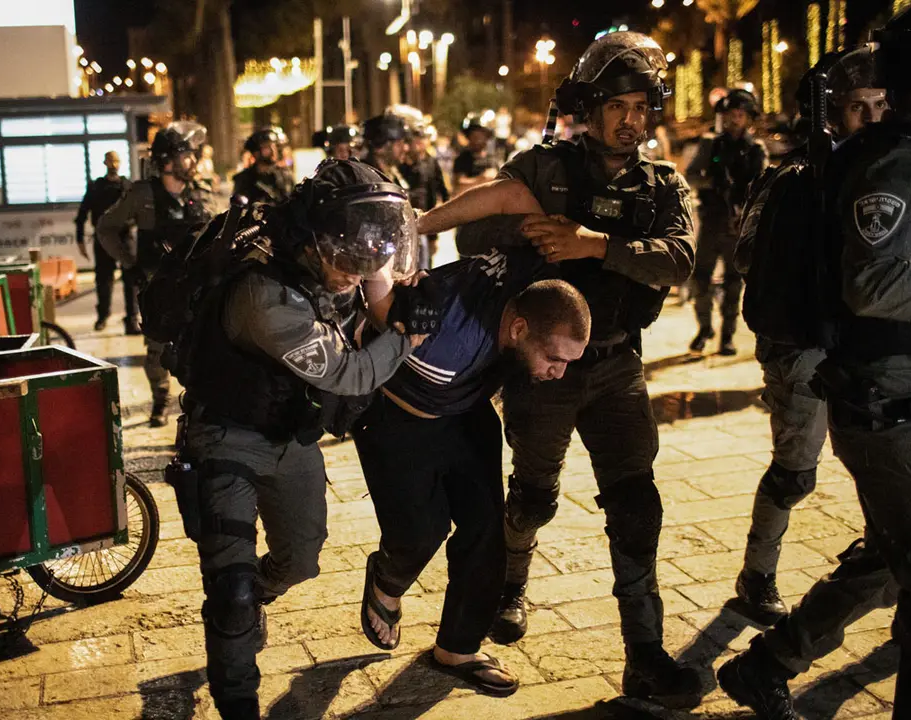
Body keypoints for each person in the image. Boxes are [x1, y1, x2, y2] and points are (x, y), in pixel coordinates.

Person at [718, 3, 911, 719]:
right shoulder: (900, 159)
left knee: (890, 560)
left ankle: (770, 665)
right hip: (894, 410)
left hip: (906, 403)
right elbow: (874, 282)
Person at [417, 31, 702, 709]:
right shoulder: (545, 169)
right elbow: (480, 220)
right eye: (618, 104)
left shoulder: (663, 183)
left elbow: (680, 259)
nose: (631, 118)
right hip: (543, 375)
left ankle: (646, 655)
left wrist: (593, 244)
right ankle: (512, 584)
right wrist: (516, 231)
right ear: (591, 104)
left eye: (641, 105)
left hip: (618, 368)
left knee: (637, 505)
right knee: (534, 493)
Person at [152, 159, 426, 720]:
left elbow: (378, 282)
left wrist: (390, 285)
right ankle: (238, 694)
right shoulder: (263, 295)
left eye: (364, 259)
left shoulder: (338, 253)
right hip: (226, 434)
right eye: (348, 260)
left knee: (301, 560)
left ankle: (254, 598)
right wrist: (408, 335)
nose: (356, 271)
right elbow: (350, 372)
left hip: (291, 435)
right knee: (230, 592)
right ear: (313, 240)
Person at [356, 244, 590, 698]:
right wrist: (388, 263)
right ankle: (387, 582)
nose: (558, 373)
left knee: (486, 525)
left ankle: (458, 648)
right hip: (398, 414)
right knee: (421, 530)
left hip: (466, 406)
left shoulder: (529, 273)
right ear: (519, 327)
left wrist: (424, 225)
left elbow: (513, 196)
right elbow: (380, 308)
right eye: (553, 358)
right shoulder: (445, 345)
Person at [732, 46, 889, 622]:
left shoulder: (894, 169)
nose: (871, 117)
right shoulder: (795, 177)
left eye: (880, 103)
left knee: (884, 470)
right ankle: (757, 574)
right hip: (804, 348)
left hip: (870, 349)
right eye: (858, 106)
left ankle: (893, 579)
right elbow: (749, 256)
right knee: (796, 471)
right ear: (831, 111)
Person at [97, 121, 216, 428]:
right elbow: (106, 228)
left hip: (197, 285)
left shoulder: (202, 193)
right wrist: (129, 261)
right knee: (157, 350)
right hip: (158, 285)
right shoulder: (141, 195)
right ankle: (160, 400)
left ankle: (197, 404)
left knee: (202, 347)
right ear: (167, 159)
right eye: (187, 155)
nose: (192, 161)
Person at [685, 88, 768, 356]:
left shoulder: (756, 150)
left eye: (740, 115)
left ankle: (727, 337)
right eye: (730, 115)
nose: (735, 120)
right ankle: (705, 328)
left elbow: (764, 187)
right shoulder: (712, 144)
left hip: (737, 226)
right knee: (700, 280)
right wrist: (712, 183)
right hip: (711, 222)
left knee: (733, 284)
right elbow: (691, 175)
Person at [75, 151, 137, 333]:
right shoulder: (96, 187)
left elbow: (139, 212)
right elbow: (82, 214)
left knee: (131, 279)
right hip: (103, 237)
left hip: (124, 236)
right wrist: (80, 240)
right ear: (104, 163)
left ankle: (132, 319)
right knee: (103, 279)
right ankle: (103, 316)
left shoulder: (127, 186)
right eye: (110, 161)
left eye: (116, 160)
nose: (114, 164)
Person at [398, 120, 449, 269]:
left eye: (422, 139)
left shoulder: (431, 163)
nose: (420, 143)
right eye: (416, 139)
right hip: (404, 224)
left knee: (425, 267)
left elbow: (440, 192)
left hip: (425, 222)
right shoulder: (400, 164)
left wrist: (435, 234)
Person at [231, 126, 293, 205]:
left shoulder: (285, 175)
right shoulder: (244, 180)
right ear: (256, 152)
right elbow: (238, 211)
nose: (273, 151)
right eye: (267, 147)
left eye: (274, 146)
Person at [452, 112, 498, 194]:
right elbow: (459, 184)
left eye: (480, 136)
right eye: (474, 136)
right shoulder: (462, 159)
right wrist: (481, 178)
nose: (477, 140)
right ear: (468, 137)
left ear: (487, 137)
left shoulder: (493, 159)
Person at [362, 114, 410, 188]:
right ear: (379, 148)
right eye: (398, 144)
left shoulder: (393, 173)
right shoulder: (366, 181)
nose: (406, 148)